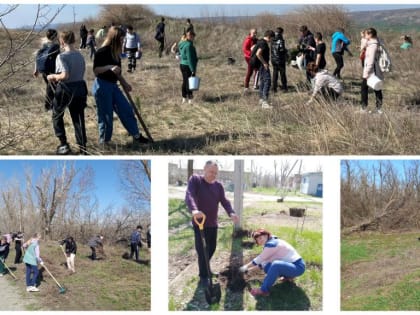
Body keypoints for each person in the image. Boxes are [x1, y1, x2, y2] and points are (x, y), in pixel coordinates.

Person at [92, 26, 150, 146]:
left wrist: (124, 83)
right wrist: (109, 67)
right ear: (114, 39)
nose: (123, 41)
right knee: (106, 116)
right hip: (102, 86)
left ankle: (136, 136)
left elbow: (117, 72)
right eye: (121, 39)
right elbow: (96, 70)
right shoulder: (101, 52)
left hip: (114, 86)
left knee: (126, 109)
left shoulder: (116, 53)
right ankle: (104, 142)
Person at [185, 160, 240, 285]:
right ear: (204, 168)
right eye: (211, 172)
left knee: (212, 248)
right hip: (199, 223)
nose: (213, 175)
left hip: (212, 223)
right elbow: (190, 195)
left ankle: (206, 269)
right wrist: (194, 210)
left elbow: (224, 201)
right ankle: (203, 276)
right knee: (202, 250)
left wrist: (231, 212)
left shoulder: (218, 186)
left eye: (215, 173)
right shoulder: (196, 180)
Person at [47, 30, 88, 155]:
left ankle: (64, 144)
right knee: (78, 119)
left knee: (57, 115)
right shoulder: (80, 55)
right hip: (80, 88)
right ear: (74, 40)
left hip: (66, 89)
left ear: (62, 41)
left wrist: (53, 76)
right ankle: (83, 149)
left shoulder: (62, 56)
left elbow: (65, 75)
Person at [239, 228, 305, 297]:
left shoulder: (272, 244)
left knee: (276, 265)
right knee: (268, 267)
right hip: (292, 266)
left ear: (266, 235)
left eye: (260, 238)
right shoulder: (271, 241)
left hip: (298, 267)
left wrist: (244, 267)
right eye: (257, 240)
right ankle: (288, 276)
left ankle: (263, 290)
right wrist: (247, 270)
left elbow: (259, 259)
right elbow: (262, 264)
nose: (259, 241)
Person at [33, 29, 60, 112]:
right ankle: (48, 106)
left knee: (50, 87)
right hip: (52, 70)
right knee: (51, 88)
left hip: (43, 69)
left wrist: (36, 69)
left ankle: (52, 105)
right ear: (55, 36)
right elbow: (58, 58)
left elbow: (38, 56)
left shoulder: (44, 44)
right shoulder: (55, 46)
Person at [360, 27, 383, 114]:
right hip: (373, 70)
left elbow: (371, 60)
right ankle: (378, 109)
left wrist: (366, 73)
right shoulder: (374, 43)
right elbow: (363, 46)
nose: (365, 35)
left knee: (369, 88)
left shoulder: (373, 46)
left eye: (366, 34)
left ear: (370, 35)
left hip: (372, 71)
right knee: (377, 88)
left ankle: (365, 108)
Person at [255, 30, 275, 108]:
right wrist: (264, 63)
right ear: (269, 37)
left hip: (260, 65)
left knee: (262, 81)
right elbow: (258, 54)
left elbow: (253, 48)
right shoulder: (263, 43)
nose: (271, 41)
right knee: (268, 81)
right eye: (272, 39)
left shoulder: (260, 41)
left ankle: (261, 99)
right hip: (263, 65)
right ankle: (265, 102)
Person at [178, 30, 198, 104]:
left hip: (182, 64)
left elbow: (181, 53)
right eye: (193, 36)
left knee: (185, 81)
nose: (193, 38)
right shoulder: (189, 45)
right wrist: (192, 69)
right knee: (190, 82)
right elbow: (190, 58)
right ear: (190, 36)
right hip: (187, 65)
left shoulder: (182, 43)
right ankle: (190, 99)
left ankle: (184, 97)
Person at [271, 27, 288, 93]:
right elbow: (281, 50)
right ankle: (284, 88)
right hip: (280, 59)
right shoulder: (281, 39)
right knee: (282, 74)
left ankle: (274, 88)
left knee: (275, 74)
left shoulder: (272, 39)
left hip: (273, 59)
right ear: (281, 32)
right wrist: (286, 52)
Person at [242, 28, 259, 93]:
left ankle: (255, 85)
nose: (255, 34)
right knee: (250, 71)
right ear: (250, 33)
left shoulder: (256, 40)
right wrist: (251, 53)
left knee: (256, 70)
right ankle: (246, 86)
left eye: (256, 33)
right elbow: (245, 49)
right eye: (253, 33)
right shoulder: (248, 40)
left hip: (254, 58)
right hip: (248, 57)